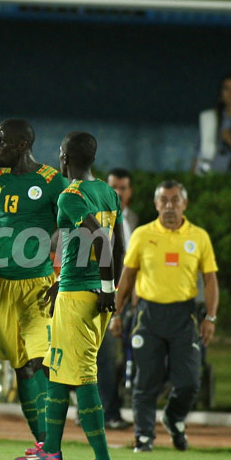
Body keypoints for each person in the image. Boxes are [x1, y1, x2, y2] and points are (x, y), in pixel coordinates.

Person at [16, 131, 124, 460]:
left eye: (60, 153)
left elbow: (101, 242)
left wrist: (106, 286)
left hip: (81, 296)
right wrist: (109, 287)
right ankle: (51, 451)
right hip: (84, 291)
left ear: (65, 157)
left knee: (84, 377)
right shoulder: (108, 192)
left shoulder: (71, 196)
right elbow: (119, 245)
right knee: (61, 371)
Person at [0, 120, 69, 446]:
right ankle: (42, 443)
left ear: (20, 146)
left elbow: (75, 229)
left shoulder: (53, 182)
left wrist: (63, 277)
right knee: (21, 368)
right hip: (2, 286)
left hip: (38, 284)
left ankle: (52, 443)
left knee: (40, 361)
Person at [110, 180, 218, 452]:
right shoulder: (143, 235)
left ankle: (173, 417)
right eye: (164, 200)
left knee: (190, 382)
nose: (170, 206)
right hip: (148, 314)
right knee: (145, 381)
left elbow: (211, 280)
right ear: (156, 204)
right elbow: (127, 277)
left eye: (175, 200)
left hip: (184, 315)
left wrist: (211, 318)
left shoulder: (199, 236)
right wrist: (116, 314)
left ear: (185, 203)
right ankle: (144, 436)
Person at [96, 168, 138, 430]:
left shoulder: (133, 219)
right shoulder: (97, 216)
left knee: (122, 358)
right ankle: (107, 413)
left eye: (123, 188)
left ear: (130, 192)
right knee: (105, 357)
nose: (118, 193)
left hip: (128, 300)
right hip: (104, 297)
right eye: (113, 187)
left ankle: (103, 409)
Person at [193, 73, 231, 174]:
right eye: (226, 89)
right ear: (221, 94)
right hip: (209, 176)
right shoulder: (210, 119)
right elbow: (199, 154)